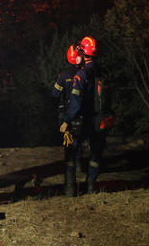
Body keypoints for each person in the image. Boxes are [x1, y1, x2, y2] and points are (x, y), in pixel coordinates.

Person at [59, 36, 105, 196]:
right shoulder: (100, 70)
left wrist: (66, 120)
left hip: (82, 120)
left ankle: (70, 189)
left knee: (70, 153)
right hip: (99, 120)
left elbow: (76, 104)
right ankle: (91, 186)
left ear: (83, 52)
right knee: (96, 154)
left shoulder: (81, 75)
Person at [52, 44, 84, 173]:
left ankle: (70, 174)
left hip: (66, 113)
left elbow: (55, 93)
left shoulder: (64, 75)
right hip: (82, 112)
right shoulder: (84, 73)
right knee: (79, 141)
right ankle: (79, 167)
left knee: (69, 143)